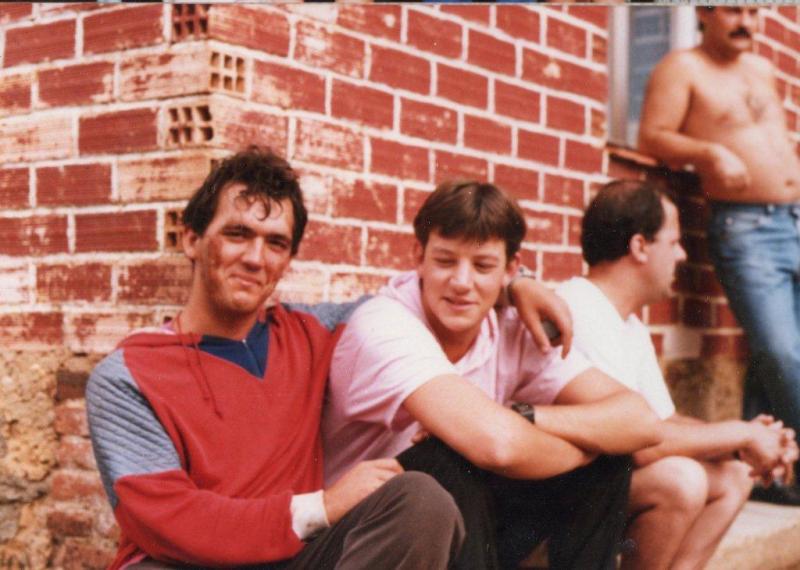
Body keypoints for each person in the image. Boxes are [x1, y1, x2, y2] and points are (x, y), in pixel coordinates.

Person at [86, 148, 466, 569]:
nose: (255, 258)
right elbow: (169, 520)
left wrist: (511, 285)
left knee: (421, 501)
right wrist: (323, 506)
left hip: (295, 559)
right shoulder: (128, 376)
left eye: (275, 243)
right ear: (191, 240)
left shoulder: (313, 333)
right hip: (186, 562)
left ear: (287, 260)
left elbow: (425, 297)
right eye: (238, 234)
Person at [324, 180, 663, 570]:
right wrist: (583, 448)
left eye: (483, 266)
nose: (461, 282)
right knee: (451, 455)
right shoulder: (384, 324)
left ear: (511, 269)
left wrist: (525, 416)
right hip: (368, 535)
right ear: (418, 256)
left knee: (609, 460)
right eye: (445, 261)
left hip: (460, 519)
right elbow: (497, 445)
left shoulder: (511, 326)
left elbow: (641, 420)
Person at [557, 179, 798, 570]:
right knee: (680, 479)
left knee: (735, 475)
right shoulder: (579, 309)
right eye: (673, 242)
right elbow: (639, 442)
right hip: (556, 498)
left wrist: (748, 445)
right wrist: (742, 434)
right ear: (640, 246)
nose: (682, 254)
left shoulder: (628, 323)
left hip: (602, 486)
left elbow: (664, 421)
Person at [638, 6, 800, 505]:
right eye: (733, 8)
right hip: (746, 226)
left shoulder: (762, 68)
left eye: (754, 10)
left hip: (795, 218)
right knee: (783, 352)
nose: (746, 20)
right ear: (705, 11)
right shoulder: (682, 67)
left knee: (772, 354)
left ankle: (768, 477)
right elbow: (652, 136)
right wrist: (709, 153)